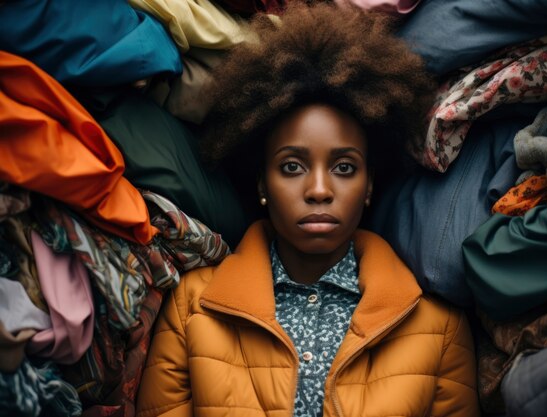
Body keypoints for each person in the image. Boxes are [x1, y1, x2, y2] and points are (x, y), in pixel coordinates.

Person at [136, 3, 479, 417]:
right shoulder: (191, 309)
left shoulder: (439, 329)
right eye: (292, 167)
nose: (319, 190)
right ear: (262, 183)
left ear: (369, 185)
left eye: (344, 167)